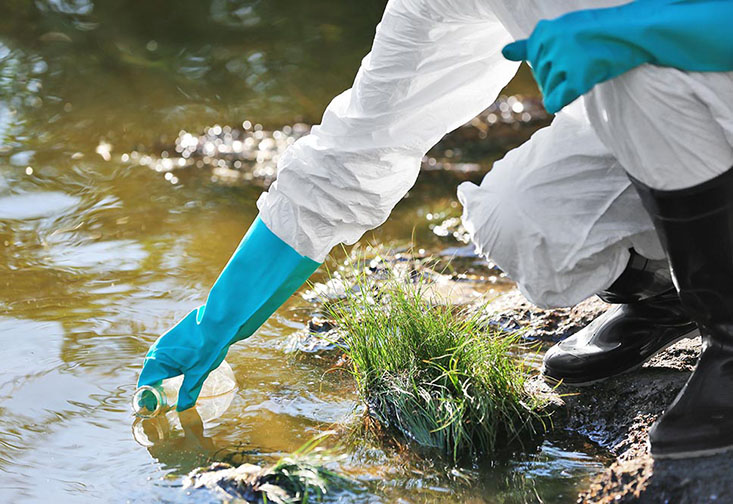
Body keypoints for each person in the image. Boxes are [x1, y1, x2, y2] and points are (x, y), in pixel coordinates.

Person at [138, 0, 733, 459]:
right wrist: (217, 321)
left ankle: (728, 336)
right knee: (524, 218)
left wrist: (651, 27)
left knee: (640, 71)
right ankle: (678, 292)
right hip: (677, 124)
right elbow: (355, 151)